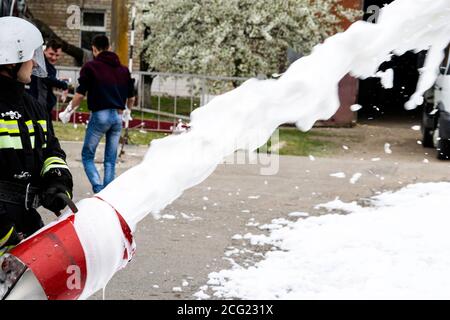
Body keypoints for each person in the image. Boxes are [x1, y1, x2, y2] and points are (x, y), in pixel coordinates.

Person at [0, 17, 74, 256]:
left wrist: (57, 179)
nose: (34, 62)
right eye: (30, 56)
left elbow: (52, 150)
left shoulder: (33, 107)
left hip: (26, 224)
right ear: (11, 60)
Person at [60, 35, 135, 194]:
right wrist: (127, 111)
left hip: (100, 115)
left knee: (87, 156)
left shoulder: (90, 67)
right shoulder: (123, 70)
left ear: (94, 49)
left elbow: (79, 95)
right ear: (109, 48)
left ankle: (98, 188)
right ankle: (108, 193)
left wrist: (67, 111)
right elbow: (132, 97)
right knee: (110, 160)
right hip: (117, 117)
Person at [27, 39, 69, 115]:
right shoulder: (40, 64)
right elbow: (48, 78)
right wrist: (64, 85)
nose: (54, 58)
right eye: (51, 54)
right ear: (45, 51)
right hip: (38, 105)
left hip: (42, 105)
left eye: (57, 55)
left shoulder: (46, 64)